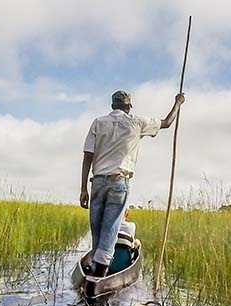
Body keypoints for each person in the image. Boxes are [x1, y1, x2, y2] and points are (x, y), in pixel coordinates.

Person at [79, 90, 184, 291]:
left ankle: (94, 270)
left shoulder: (98, 122)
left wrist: (83, 188)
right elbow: (167, 122)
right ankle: (99, 276)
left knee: (98, 230)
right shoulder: (136, 122)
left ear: (112, 106)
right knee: (110, 229)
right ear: (128, 107)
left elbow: (87, 156)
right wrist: (178, 103)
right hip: (119, 182)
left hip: (97, 182)